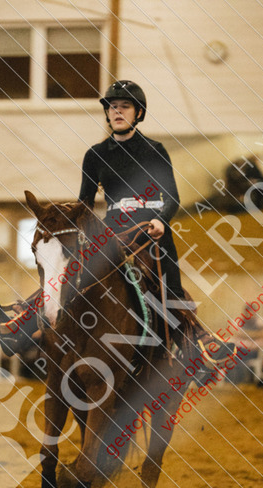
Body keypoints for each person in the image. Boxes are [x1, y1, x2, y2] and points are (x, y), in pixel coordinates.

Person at [79, 79, 233, 363]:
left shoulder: (155, 150)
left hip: (151, 230)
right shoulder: (95, 156)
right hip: (113, 230)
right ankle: (25, 318)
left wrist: (161, 220)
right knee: (72, 275)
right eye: (113, 107)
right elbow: (84, 205)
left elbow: (172, 196)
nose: (117, 111)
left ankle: (195, 346)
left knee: (168, 290)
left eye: (125, 106)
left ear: (138, 112)